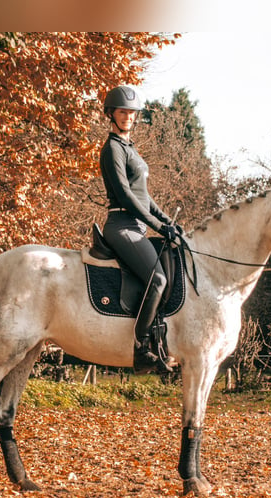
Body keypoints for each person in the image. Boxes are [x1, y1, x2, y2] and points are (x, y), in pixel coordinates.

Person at [99, 85, 180, 374]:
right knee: (157, 279)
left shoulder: (130, 148)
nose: (128, 117)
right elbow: (125, 196)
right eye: (123, 112)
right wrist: (157, 225)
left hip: (136, 226)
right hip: (121, 225)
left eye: (132, 113)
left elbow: (145, 197)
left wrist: (169, 222)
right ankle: (141, 347)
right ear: (111, 113)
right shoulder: (112, 149)